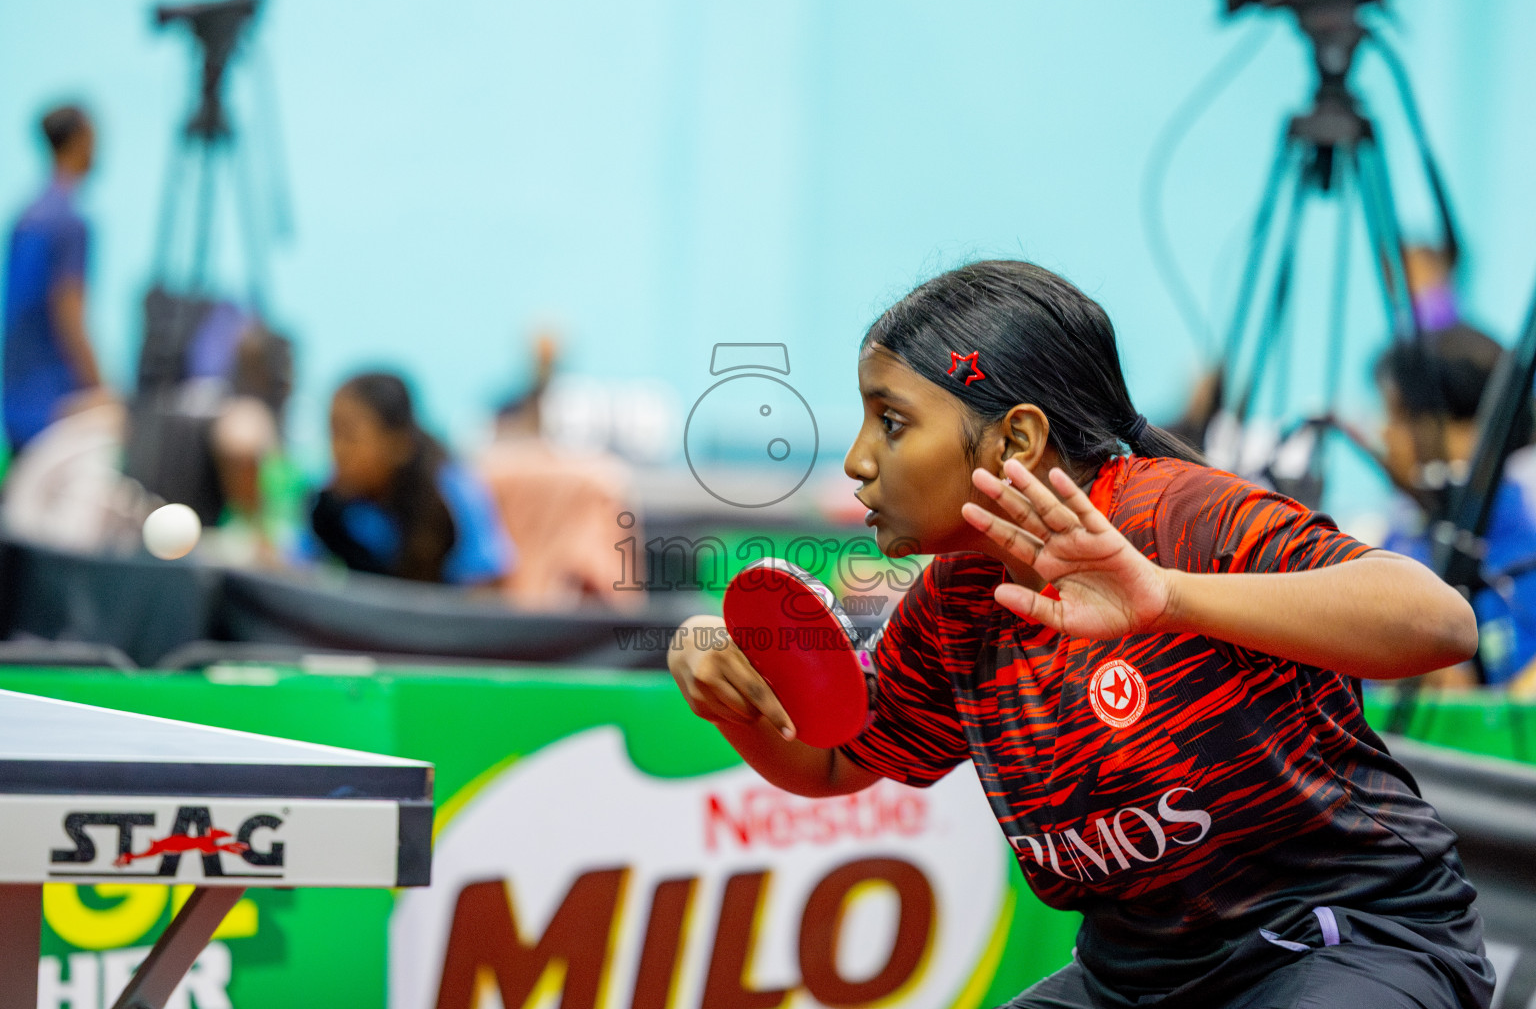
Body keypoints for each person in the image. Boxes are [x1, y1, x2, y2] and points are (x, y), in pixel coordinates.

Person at [667, 261, 1493, 1009]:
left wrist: (1166, 597)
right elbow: (835, 758)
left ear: (1015, 439)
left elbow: (1440, 621)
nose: (855, 460)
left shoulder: (1180, 514)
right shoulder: (958, 600)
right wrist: (724, 688)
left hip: (1344, 942)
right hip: (1135, 979)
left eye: (891, 422)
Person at [1375, 323, 1536, 687]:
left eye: (1402, 418)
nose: (1384, 434)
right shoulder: (1402, 535)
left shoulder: (1523, 555)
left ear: (1471, 431)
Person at [301, 372, 514, 586]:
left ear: (398, 443)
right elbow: (296, 567)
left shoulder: (454, 492)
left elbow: (489, 585)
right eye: (332, 434)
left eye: (349, 436)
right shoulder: (334, 504)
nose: (338, 451)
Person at [3, 105, 104, 453]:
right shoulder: (70, 224)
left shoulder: (25, 218)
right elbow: (70, 318)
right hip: (55, 405)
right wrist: (100, 388)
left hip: (16, 401)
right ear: (77, 142)